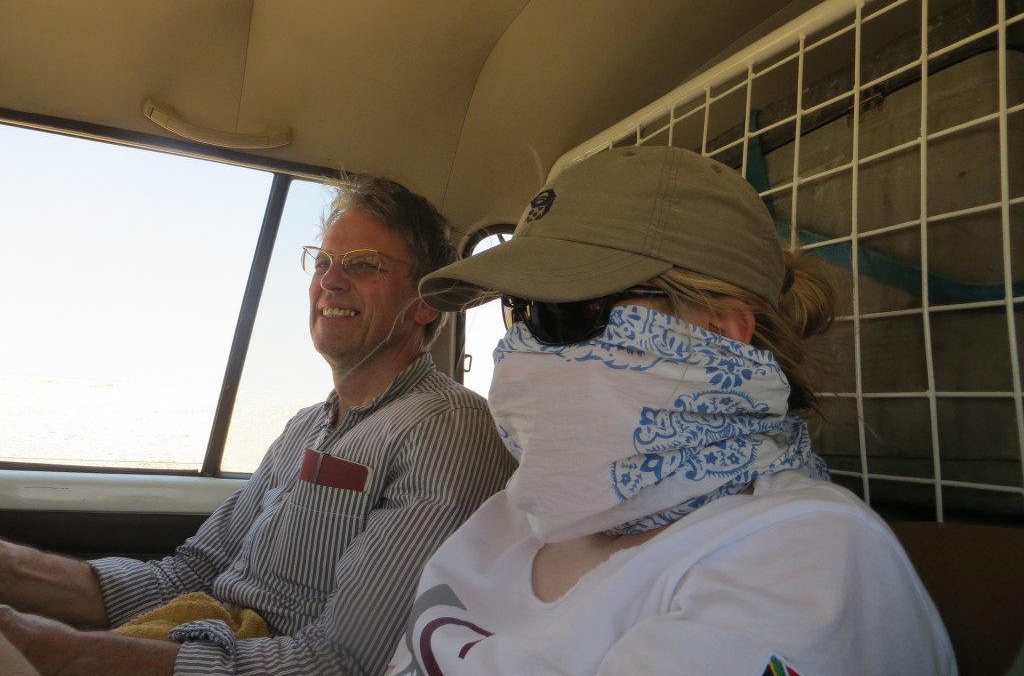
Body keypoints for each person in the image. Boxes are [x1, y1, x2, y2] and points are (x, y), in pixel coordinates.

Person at [388, 146, 956, 675]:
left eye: (566, 313)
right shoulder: (514, 513)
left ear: (720, 331)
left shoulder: (804, 557)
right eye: (523, 311)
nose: (523, 347)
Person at [0, 174, 516, 676]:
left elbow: (343, 663)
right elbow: (187, 576)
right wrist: (12, 571)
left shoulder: (447, 428)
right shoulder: (305, 427)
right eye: (322, 262)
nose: (330, 281)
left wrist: (57, 651)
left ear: (424, 301)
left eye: (363, 264)